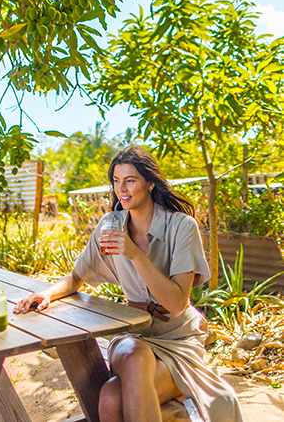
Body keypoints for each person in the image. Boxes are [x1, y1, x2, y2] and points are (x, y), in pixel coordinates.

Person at [14, 146, 243, 422]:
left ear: (150, 183)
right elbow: (77, 276)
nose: (121, 189)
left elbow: (176, 304)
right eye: (116, 180)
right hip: (134, 333)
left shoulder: (182, 226)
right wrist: (46, 293)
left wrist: (134, 253)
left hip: (178, 338)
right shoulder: (109, 225)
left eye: (130, 180)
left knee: (112, 397)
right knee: (134, 354)